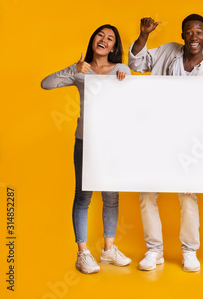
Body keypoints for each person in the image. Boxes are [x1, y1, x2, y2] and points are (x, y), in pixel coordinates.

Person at [126, 14, 203, 272]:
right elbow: (137, 63)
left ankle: (189, 251)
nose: (194, 36)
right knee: (147, 194)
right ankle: (154, 251)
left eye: (199, 32)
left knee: (188, 196)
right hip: (156, 137)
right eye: (189, 31)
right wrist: (144, 35)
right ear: (182, 35)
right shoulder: (168, 52)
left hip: (188, 144)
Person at [41, 24, 132, 274]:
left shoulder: (121, 69)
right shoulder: (81, 70)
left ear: (114, 46)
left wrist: (125, 81)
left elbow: (132, 101)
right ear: (93, 40)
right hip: (85, 140)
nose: (104, 39)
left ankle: (108, 250)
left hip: (111, 142)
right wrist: (73, 68)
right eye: (100, 35)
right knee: (83, 196)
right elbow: (46, 84)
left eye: (110, 38)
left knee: (111, 196)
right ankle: (82, 254)